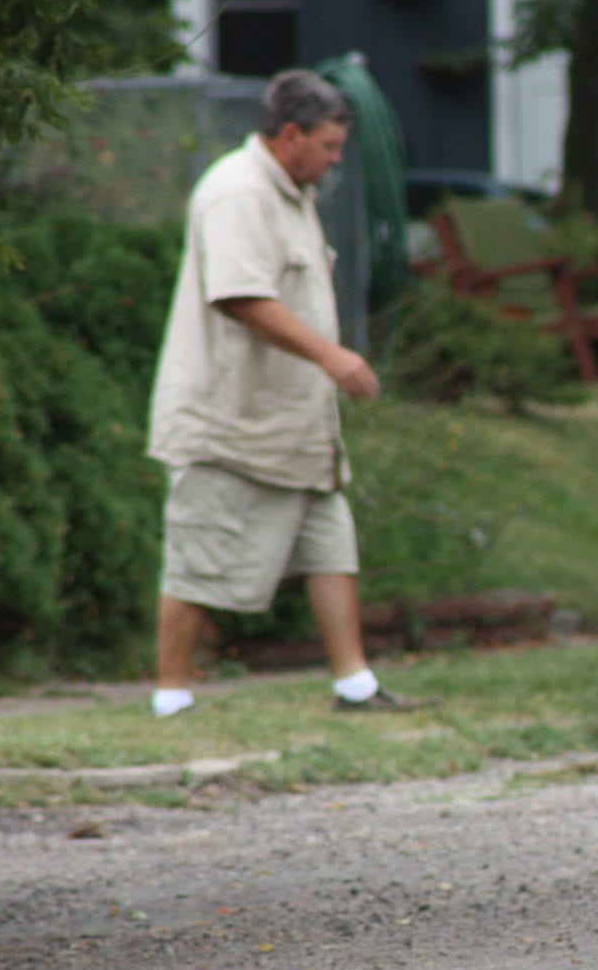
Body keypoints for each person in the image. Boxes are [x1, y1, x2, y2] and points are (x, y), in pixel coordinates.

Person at [146, 69, 425, 717]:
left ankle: (355, 685)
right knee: (198, 559)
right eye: (329, 146)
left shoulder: (294, 193)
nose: (336, 160)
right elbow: (242, 298)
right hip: (230, 423)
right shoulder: (238, 193)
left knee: (332, 548)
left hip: (295, 426)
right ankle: (171, 697)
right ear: (290, 134)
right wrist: (333, 356)